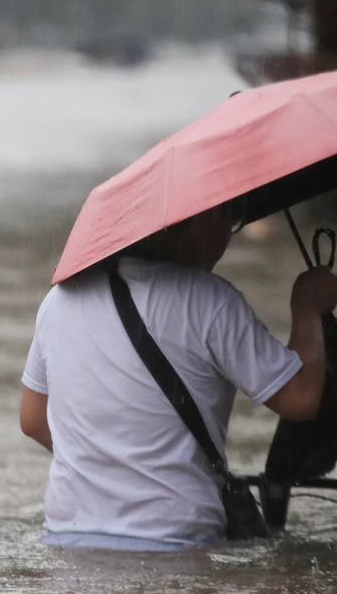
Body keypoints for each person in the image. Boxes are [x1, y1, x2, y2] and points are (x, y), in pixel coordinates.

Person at [20, 202, 337, 550]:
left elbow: (33, 419)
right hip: (175, 543)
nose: (225, 234)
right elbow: (300, 398)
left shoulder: (59, 300)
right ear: (182, 225)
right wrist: (308, 309)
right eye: (221, 218)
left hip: (66, 539)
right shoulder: (210, 301)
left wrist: (110, 463)